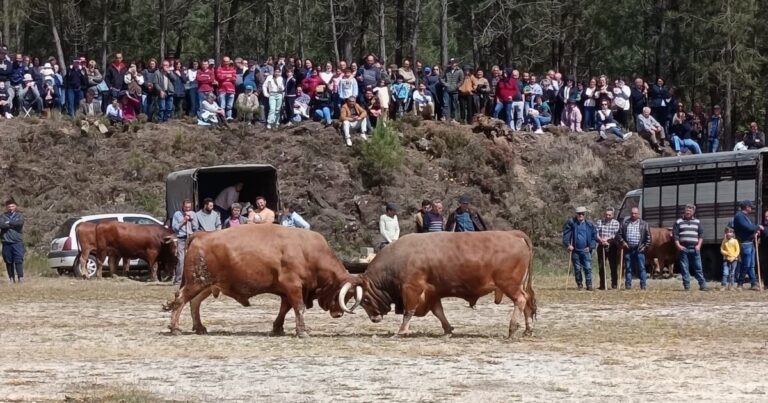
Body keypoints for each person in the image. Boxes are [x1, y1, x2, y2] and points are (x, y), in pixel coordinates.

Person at [672, 204, 708, 291]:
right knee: (684, 268)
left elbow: (701, 235)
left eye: (690, 211)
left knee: (698, 267)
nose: (688, 212)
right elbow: (675, 235)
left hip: (695, 248)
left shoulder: (697, 222)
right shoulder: (678, 222)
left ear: (693, 212)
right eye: (687, 210)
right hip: (683, 248)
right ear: (684, 211)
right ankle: (687, 286)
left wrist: (699, 245)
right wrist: (678, 246)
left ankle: (703, 286)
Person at [615, 207, 652, 290]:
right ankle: (628, 286)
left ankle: (643, 286)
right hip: (628, 249)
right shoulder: (625, 223)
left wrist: (644, 247)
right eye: (632, 213)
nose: (633, 215)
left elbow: (649, 238)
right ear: (630, 214)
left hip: (639, 249)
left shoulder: (644, 224)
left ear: (638, 214)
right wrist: (623, 243)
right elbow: (619, 235)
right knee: (628, 268)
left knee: (641, 268)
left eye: (635, 213)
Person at [562, 207, 598, 291]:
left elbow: (594, 237)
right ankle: (579, 284)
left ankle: (589, 285)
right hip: (575, 250)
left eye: (582, 214)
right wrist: (568, 244)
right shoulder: (571, 223)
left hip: (586, 250)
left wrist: (591, 247)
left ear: (585, 214)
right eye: (579, 214)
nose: (580, 215)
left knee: (588, 268)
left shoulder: (589, 224)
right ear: (576, 214)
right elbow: (566, 235)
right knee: (577, 269)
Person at [732, 200, 763, 290]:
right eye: (750, 207)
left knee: (751, 264)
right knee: (746, 264)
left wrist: (754, 231)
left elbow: (749, 228)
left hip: (750, 242)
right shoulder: (739, 216)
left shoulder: (744, 216)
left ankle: (753, 283)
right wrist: (757, 227)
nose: (751, 208)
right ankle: (740, 284)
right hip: (745, 243)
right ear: (746, 207)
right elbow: (747, 227)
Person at [171, 199, 198, 285]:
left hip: (190, 238)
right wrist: (183, 221)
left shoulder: (193, 214)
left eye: (189, 207)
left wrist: (191, 220)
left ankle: (190, 279)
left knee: (192, 259)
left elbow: (196, 227)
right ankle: (178, 280)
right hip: (181, 238)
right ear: (182, 206)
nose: (187, 209)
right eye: (186, 207)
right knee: (181, 259)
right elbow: (174, 228)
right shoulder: (177, 214)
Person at [0, 198, 25, 284]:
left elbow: (19, 223)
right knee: (8, 261)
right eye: (9, 206)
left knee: (18, 260)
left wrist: (8, 223)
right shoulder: (2, 216)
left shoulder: (19, 216)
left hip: (17, 242)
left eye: (12, 206)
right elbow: (2, 225)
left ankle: (20, 278)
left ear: (15, 206)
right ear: (6, 207)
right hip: (6, 242)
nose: (11, 208)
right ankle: (11, 278)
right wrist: (12, 223)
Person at [595, 207, 620, 290]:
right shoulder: (600, 222)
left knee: (613, 266)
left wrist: (607, 240)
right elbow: (596, 232)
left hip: (612, 246)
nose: (607, 216)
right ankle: (602, 285)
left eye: (609, 215)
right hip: (601, 245)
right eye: (606, 215)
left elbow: (615, 234)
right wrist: (601, 239)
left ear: (613, 215)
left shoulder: (616, 223)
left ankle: (614, 284)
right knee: (601, 266)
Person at [721, 227, 740, 291]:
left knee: (732, 273)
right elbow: (721, 249)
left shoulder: (735, 241)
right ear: (725, 233)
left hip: (734, 259)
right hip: (726, 259)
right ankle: (723, 285)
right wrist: (726, 253)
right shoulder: (724, 241)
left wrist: (734, 257)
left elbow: (737, 250)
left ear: (732, 233)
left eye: (730, 232)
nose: (729, 234)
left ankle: (731, 286)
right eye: (727, 232)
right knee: (725, 272)